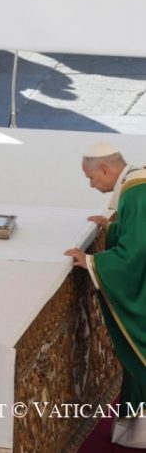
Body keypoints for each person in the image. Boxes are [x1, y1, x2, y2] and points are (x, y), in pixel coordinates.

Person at [65, 141, 146, 447]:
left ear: (104, 169)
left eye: (91, 178)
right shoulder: (137, 179)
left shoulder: (136, 193)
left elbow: (134, 254)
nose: (91, 185)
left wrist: (91, 262)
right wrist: (112, 227)